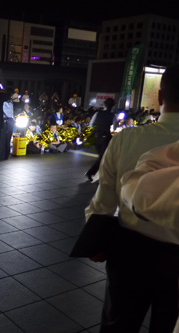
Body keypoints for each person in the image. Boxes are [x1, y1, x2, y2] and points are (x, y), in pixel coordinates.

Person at [85, 65, 179, 333]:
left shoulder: (127, 138)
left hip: (129, 252)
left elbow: (103, 201)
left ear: (160, 98)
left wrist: (96, 241)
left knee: (118, 325)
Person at [84, 98, 116, 182]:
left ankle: (95, 173)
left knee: (102, 156)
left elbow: (91, 125)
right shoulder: (112, 115)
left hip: (97, 136)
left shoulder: (98, 113)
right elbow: (115, 127)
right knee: (103, 157)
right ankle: (92, 173)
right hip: (106, 137)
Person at [0, 94, 14, 160]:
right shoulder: (11, 103)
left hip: (3, 122)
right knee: (8, 139)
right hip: (11, 122)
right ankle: (6, 155)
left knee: (2, 140)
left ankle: (2, 156)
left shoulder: (2, 104)